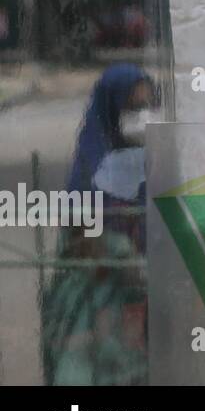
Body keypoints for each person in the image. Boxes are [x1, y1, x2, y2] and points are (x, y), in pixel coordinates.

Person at [42, 63, 158, 385]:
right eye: (134, 107)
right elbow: (82, 242)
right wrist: (121, 253)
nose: (143, 116)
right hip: (97, 289)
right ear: (111, 107)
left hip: (150, 290)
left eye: (149, 105)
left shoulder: (156, 163)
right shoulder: (90, 167)